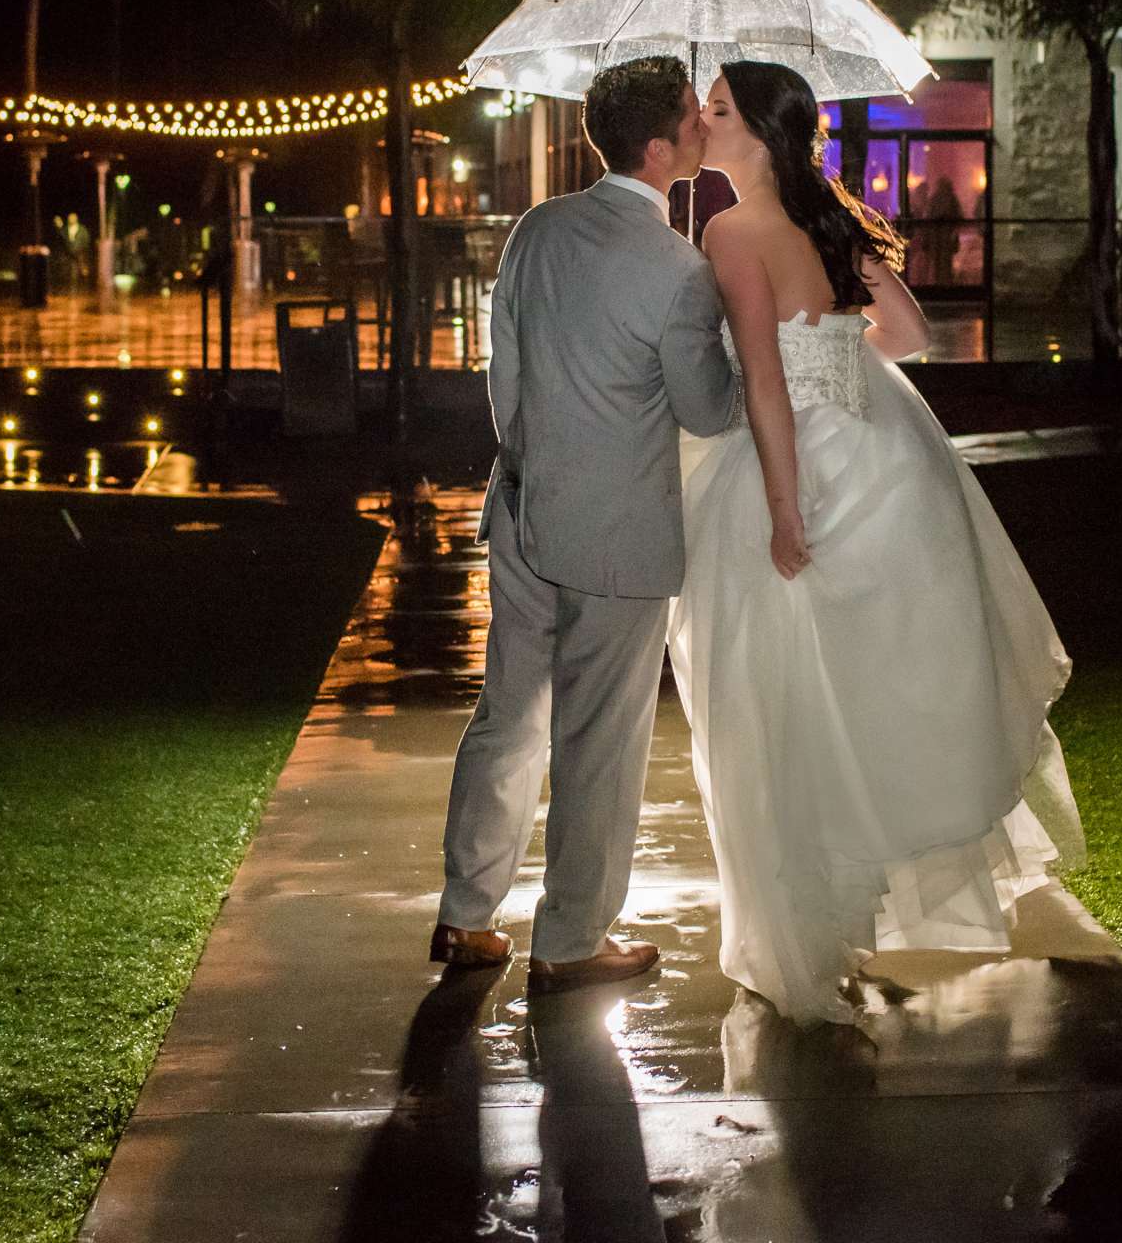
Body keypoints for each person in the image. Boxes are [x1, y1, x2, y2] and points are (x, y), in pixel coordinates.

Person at [671, 60, 1085, 1025]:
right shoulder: (833, 221)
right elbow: (906, 336)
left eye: (720, 109)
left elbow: (764, 384)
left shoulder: (731, 229)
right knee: (858, 695)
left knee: (773, 707)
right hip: (882, 459)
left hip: (788, 470)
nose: (704, 118)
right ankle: (845, 910)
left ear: (762, 134)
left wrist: (782, 505)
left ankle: (796, 931)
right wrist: (831, 352)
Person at [430, 55, 743, 994]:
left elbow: (507, 372)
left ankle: (464, 913)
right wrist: (728, 343)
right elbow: (704, 409)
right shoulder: (678, 266)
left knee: (509, 718)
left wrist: (526, 467)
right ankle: (569, 939)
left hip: (523, 505)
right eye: (692, 117)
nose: (702, 127)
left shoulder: (537, 229)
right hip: (619, 542)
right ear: (658, 148)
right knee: (599, 743)